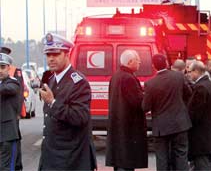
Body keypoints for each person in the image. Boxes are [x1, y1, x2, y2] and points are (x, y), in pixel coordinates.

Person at [38, 33, 97, 171]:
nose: (51, 59)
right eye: (48, 55)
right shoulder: (51, 80)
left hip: (70, 159)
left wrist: (52, 102)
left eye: (56, 54)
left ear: (67, 54)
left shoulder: (78, 82)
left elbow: (80, 117)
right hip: (51, 157)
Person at [142, 53, 192, 171]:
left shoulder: (150, 84)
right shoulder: (179, 77)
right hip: (180, 123)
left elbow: (145, 107)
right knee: (181, 155)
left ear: (154, 66)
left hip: (161, 126)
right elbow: (189, 93)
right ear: (166, 63)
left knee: (162, 157)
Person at [106, 49, 147, 171]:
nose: (140, 63)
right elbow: (138, 102)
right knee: (127, 161)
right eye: (138, 60)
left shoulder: (116, 76)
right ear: (130, 62)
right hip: (128, 127)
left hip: (118, 123)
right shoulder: (129, 78)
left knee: (119, 160)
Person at [186, 61, 211, 171]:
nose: (189, 75)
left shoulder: (201, 87)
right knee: (205, 163)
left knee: (201, 164)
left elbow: (195, 113)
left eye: (190, 72)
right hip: (207, 133)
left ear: (196, 71)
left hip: (200, 135)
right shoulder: (209, 84)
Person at [0, 52, 22, 171]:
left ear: (9, 68)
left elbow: (9, 89)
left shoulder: (12, 82)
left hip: (8, 135)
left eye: (3, 67)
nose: (0, 70)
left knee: (6, 168)